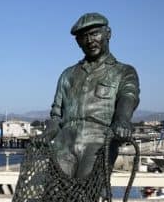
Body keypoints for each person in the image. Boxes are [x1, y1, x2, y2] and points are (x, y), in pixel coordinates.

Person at [44, 12, 140, 180]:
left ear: (108, 34)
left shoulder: (124, 72)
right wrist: (49, 131)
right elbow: (56, 114)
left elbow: (128, 95)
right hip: (64, 143)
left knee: (86, 194)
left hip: (99, 142)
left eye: (95, 33)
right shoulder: (68, 75)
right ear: (78, 42)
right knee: (53, 200)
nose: (89, 40)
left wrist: (122, 120)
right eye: (83, 37)